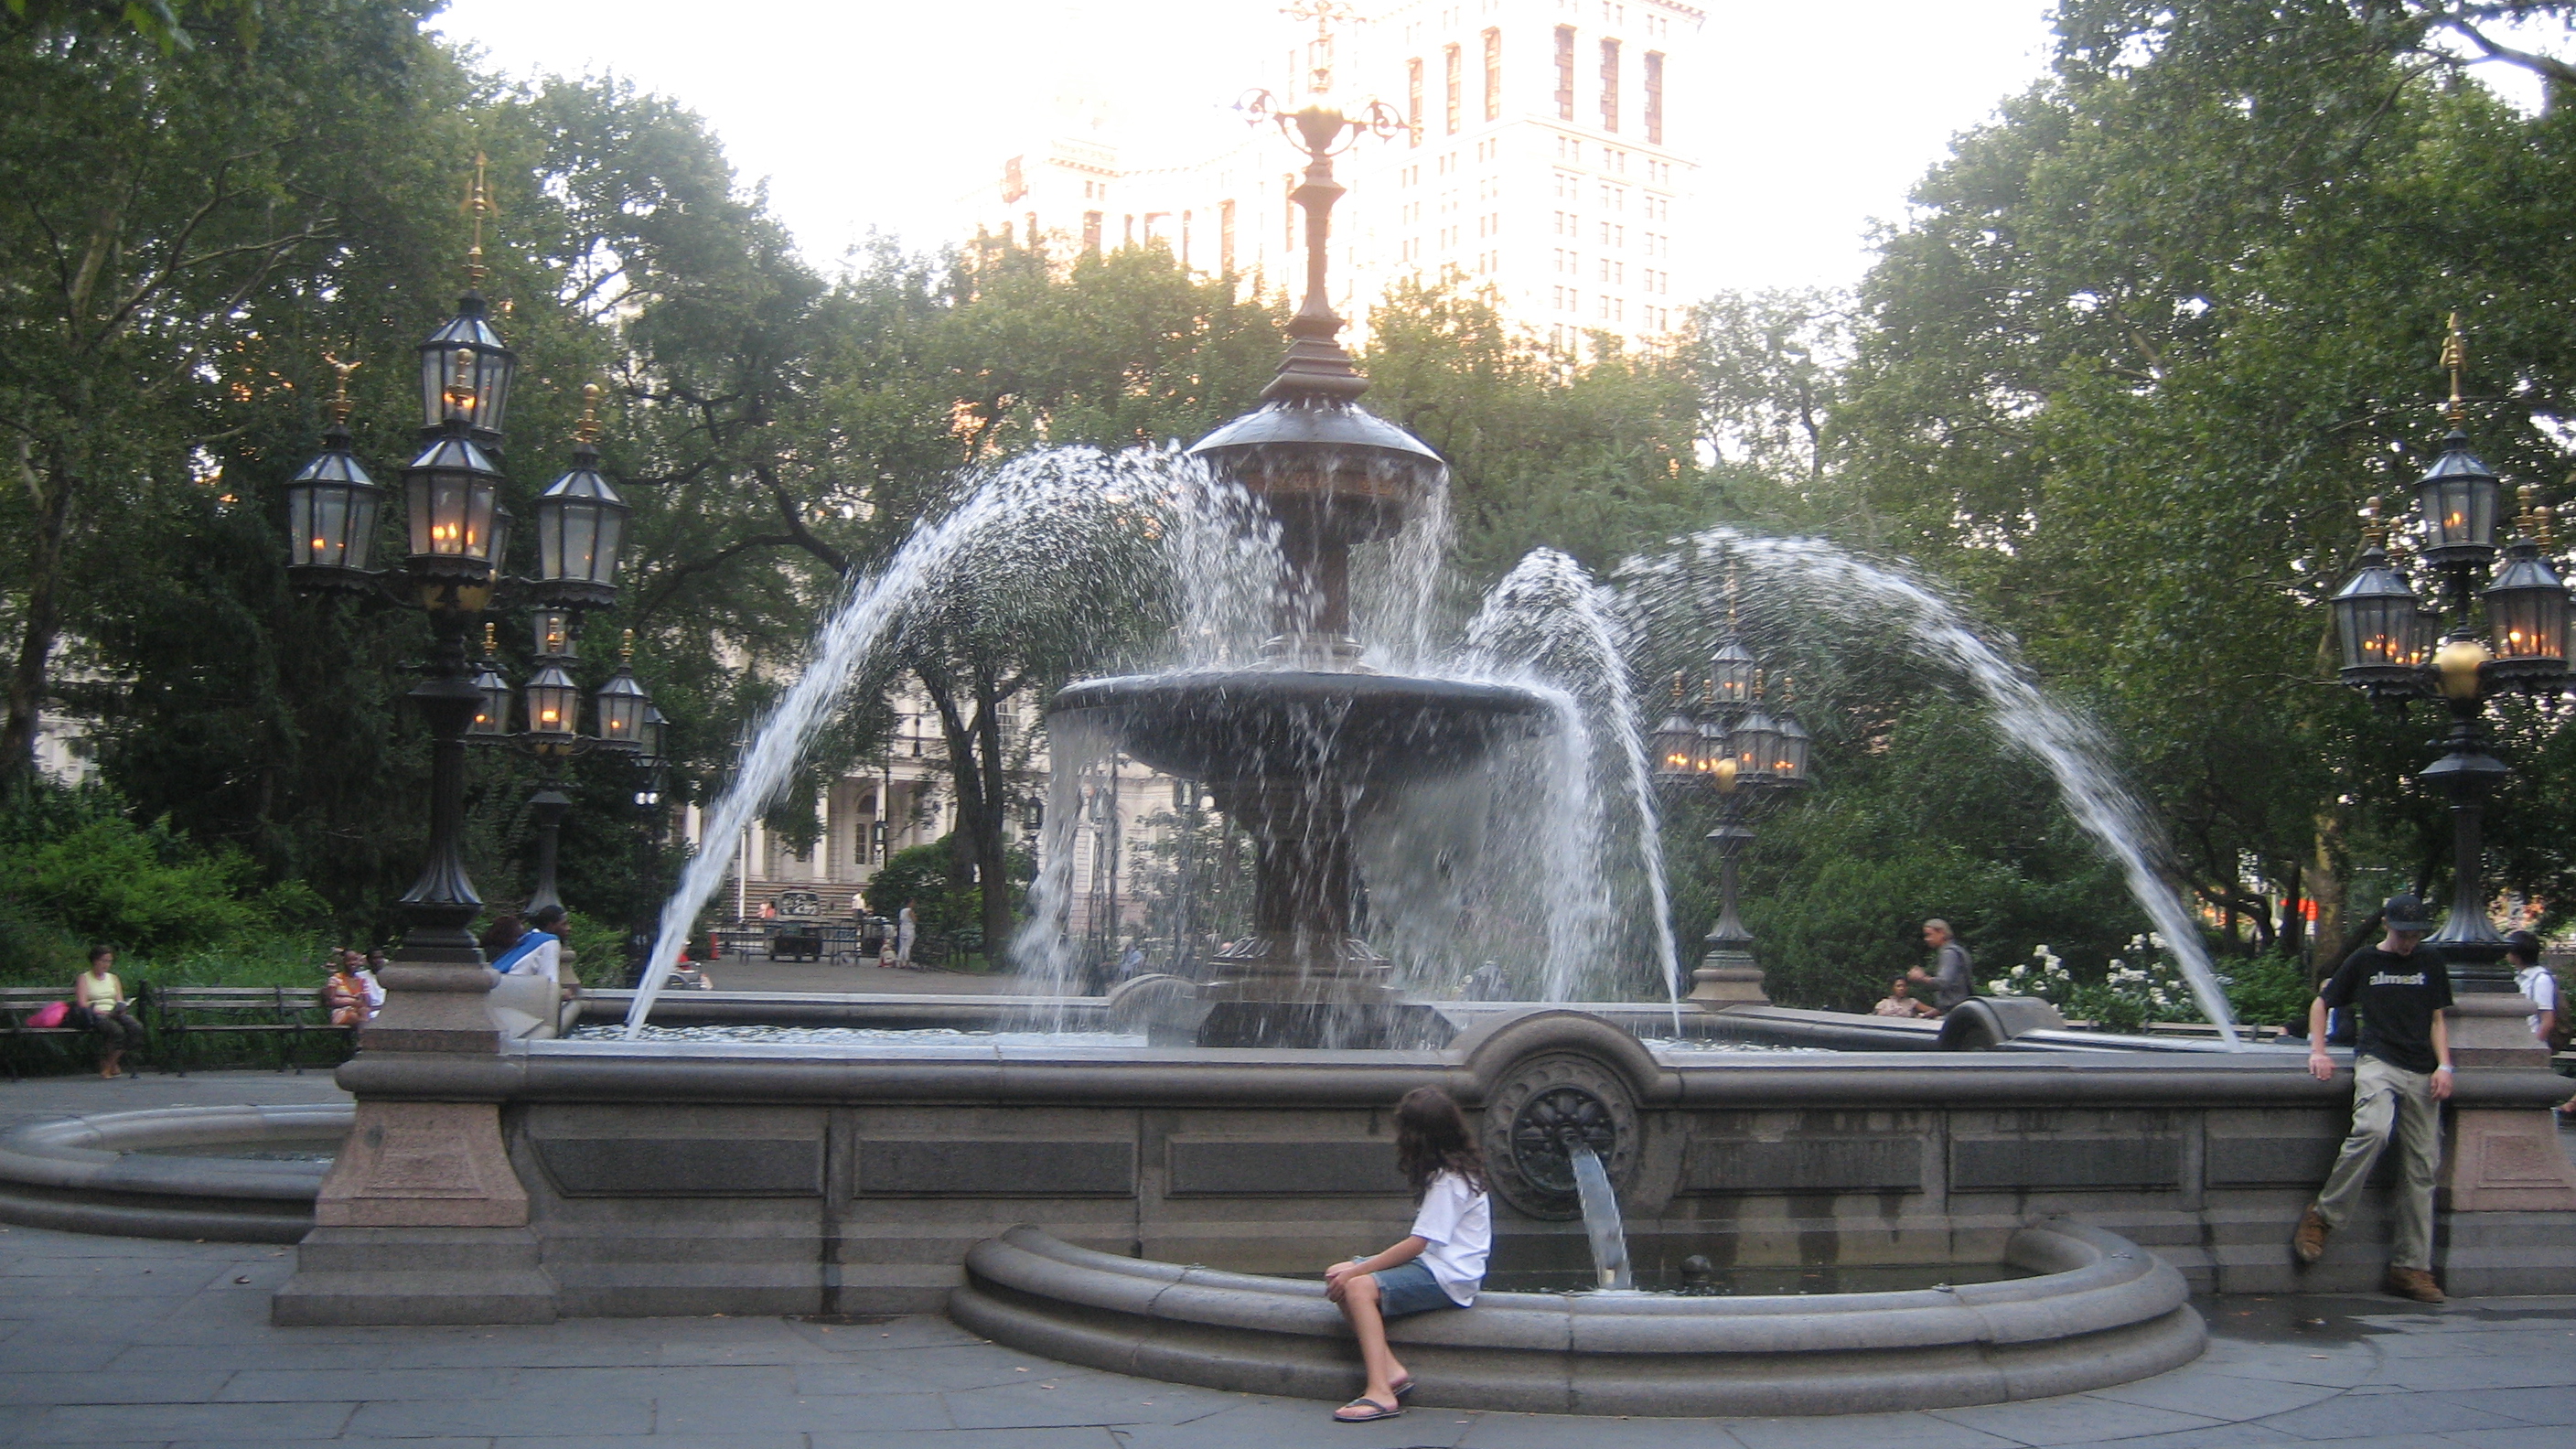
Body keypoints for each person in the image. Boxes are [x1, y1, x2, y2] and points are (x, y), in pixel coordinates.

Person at [2292, 894, 2454, 1303]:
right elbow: (2322, 1001)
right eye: (2403, 933)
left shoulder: (2430, 962)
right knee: (2373, 1128)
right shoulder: (2366, 961)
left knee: (2423, 1168)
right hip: (2378, 1061)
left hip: (2421, 1068)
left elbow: (2438, 1019)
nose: (2408, 942)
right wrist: (2318, 1050)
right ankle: (2323, 1215)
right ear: (2387, 925)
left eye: (2415, 934)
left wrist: (2445, 1066)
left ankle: (2411, 1266)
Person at [1322, 1086, 1490, 1423]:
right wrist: (1352, 1270)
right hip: (1435, 1267)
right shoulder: (1453, 1171)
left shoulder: (1448, 1181)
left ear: (1419, 1137)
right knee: (1336, 1272)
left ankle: (1380, 1393)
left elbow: (1418, 1243)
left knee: (1356, 1286)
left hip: (1449, 1278)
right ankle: (1392, 1370)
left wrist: (1359, 1272)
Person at [73, 944, 145, 1079]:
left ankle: (110, 1062)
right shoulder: (84, 978)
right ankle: (108, 1067)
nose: (106, 964)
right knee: (117, 1031)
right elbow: (82, 1004)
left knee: (136, 1027)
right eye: (103, 961)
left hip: (114, 1012)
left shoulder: (113, 978)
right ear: (95, 961)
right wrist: (103, 1012)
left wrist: (122, 1008)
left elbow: (119, 1000)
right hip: (96, 1013)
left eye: (109, 961)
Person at [494, 904, 566, 990]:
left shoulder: (529, 937)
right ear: (551, 925)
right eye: (564, 924)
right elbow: (550, 982)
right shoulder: (550, 941)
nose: (569, 928)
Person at [1909, 918, 1974, 1014]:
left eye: (1929, 935)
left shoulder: (1949, 953)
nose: (1926, 939)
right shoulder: (1957, 951)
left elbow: (1943, 982)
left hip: (1954, 1010)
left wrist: (1921, 978)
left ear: (1941, 933)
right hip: (1958, 1008)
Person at [320, 954, 369, 1029]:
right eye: (349, 960)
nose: (352, 963)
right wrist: (352, 1002)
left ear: (359, 962)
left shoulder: (362, 980)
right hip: (341, 1011)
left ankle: (364, 1036)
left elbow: (365, 1002)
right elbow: (331, 1001)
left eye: (355, 960)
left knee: (365, 1011)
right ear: (343, 962)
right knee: (355, 1017)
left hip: (358, 1011)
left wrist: (359, 1004)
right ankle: (365, 1037)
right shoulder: (336, 978)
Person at [1873, 977, 1937, 1018]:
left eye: (1904, 986)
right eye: (1898, 986)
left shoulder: (1912, 1002)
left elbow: (1935, 1011)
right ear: (1892, 988)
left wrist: (1922, 1015)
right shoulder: (1884, 1003)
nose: (1902, 988)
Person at [896, 898, 918, 968]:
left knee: (902, 945)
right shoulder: (910, 911)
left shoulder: (902, 911)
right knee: (908, 945)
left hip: (903, 928)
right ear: (910, 903)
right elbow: (914, 920)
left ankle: (900, 961)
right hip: (909, 928)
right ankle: (907, 961)